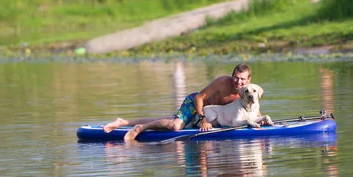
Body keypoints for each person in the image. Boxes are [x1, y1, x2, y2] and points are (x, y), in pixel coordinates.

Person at [103, 63, 265, 141]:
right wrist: (203, 119)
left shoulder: (247, 92)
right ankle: (140, 129)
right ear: (232, 76)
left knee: (170, 121)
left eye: (242, 79)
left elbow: (254, 112)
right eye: (236, 77)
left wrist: (264, 124)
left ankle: (123, 122)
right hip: (197, 105)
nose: (238, 82)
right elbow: (199, 97)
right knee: (175, 126)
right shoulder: (222, 82)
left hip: (211, 115)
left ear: (248, 79)